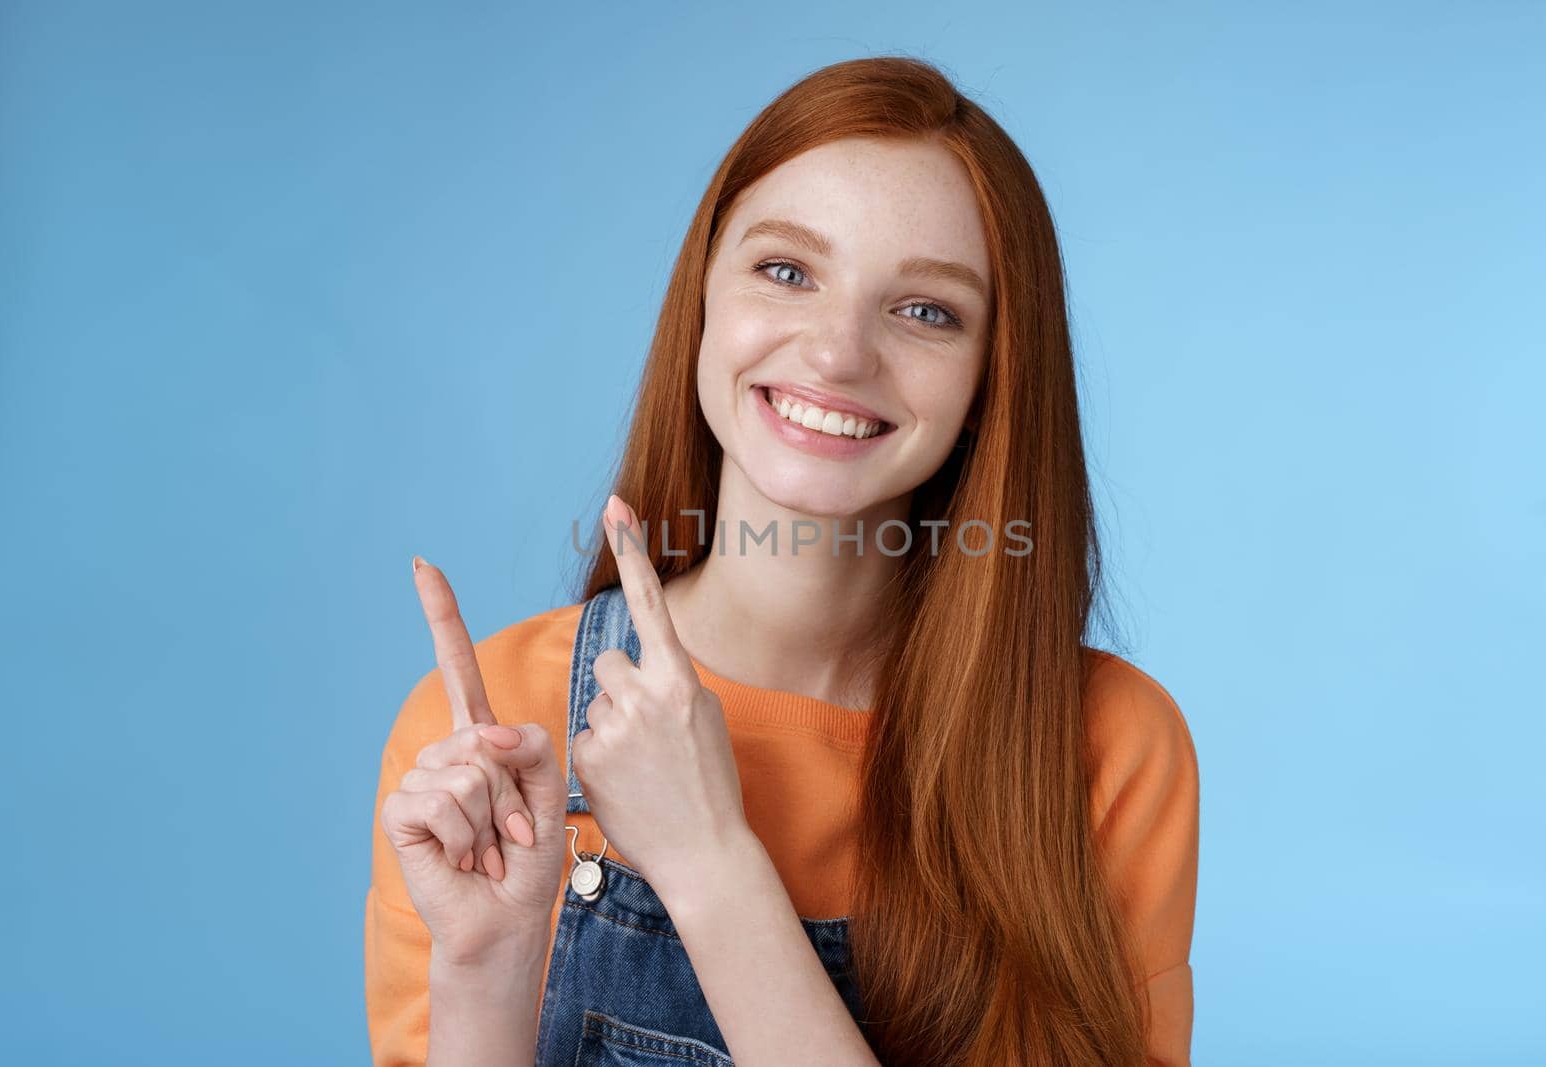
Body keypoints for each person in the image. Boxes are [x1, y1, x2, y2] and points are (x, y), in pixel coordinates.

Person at [365, 55, 1200, 1067]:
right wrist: (484, 973)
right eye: (787, 271)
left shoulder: (1106, 751)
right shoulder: (492, 719)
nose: (839, 352)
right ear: (703, 299)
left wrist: (713, 866)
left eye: (927, 310)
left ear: (991, 378)